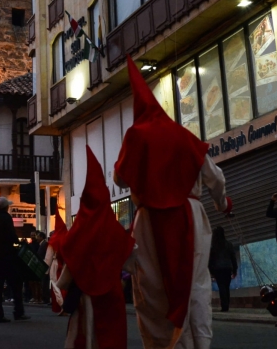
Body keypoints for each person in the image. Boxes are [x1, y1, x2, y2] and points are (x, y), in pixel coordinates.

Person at [114, 56, 232, 349]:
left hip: (149, 220)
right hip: (190, 214)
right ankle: (200, 343)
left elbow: (119, 180)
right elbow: (214, 176)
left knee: (152, 287)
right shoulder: (183, 134)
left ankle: (167, 343)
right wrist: (221, 203)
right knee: (196, 283)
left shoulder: (135, 136)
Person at [59, 145, 135, 349]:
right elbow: (131, 262)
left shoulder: (78, 229)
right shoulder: (114, 227)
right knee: (111, 337)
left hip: (85, 296)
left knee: (84, 337)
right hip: (112, 293)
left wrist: (64, 284)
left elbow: (69, 268)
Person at [0, 196, 29, 323]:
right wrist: (17, 243)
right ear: (6, 207)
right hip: (8, 256)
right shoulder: (6, 218)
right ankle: (18, 312)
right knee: (16, 284)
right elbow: (11, 236)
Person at [208, 226, 238, 312]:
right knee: (226, 287)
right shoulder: (229, 244)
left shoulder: (214, 246)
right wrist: (235, 270)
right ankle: (226, 305)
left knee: (221, 287)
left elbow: (211, 261)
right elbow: (233, 258)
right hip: (227, 268)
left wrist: (211, 272)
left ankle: (224, 306)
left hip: (218, 269)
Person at [44, 213, 68, 315]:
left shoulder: (53, 240)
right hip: (66, 264)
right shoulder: (68, 238)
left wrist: (45, 269)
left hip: (55, 263)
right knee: (65, 284)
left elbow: (48, 257)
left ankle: (62, 304)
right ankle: (67, 304)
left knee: (55, 284)